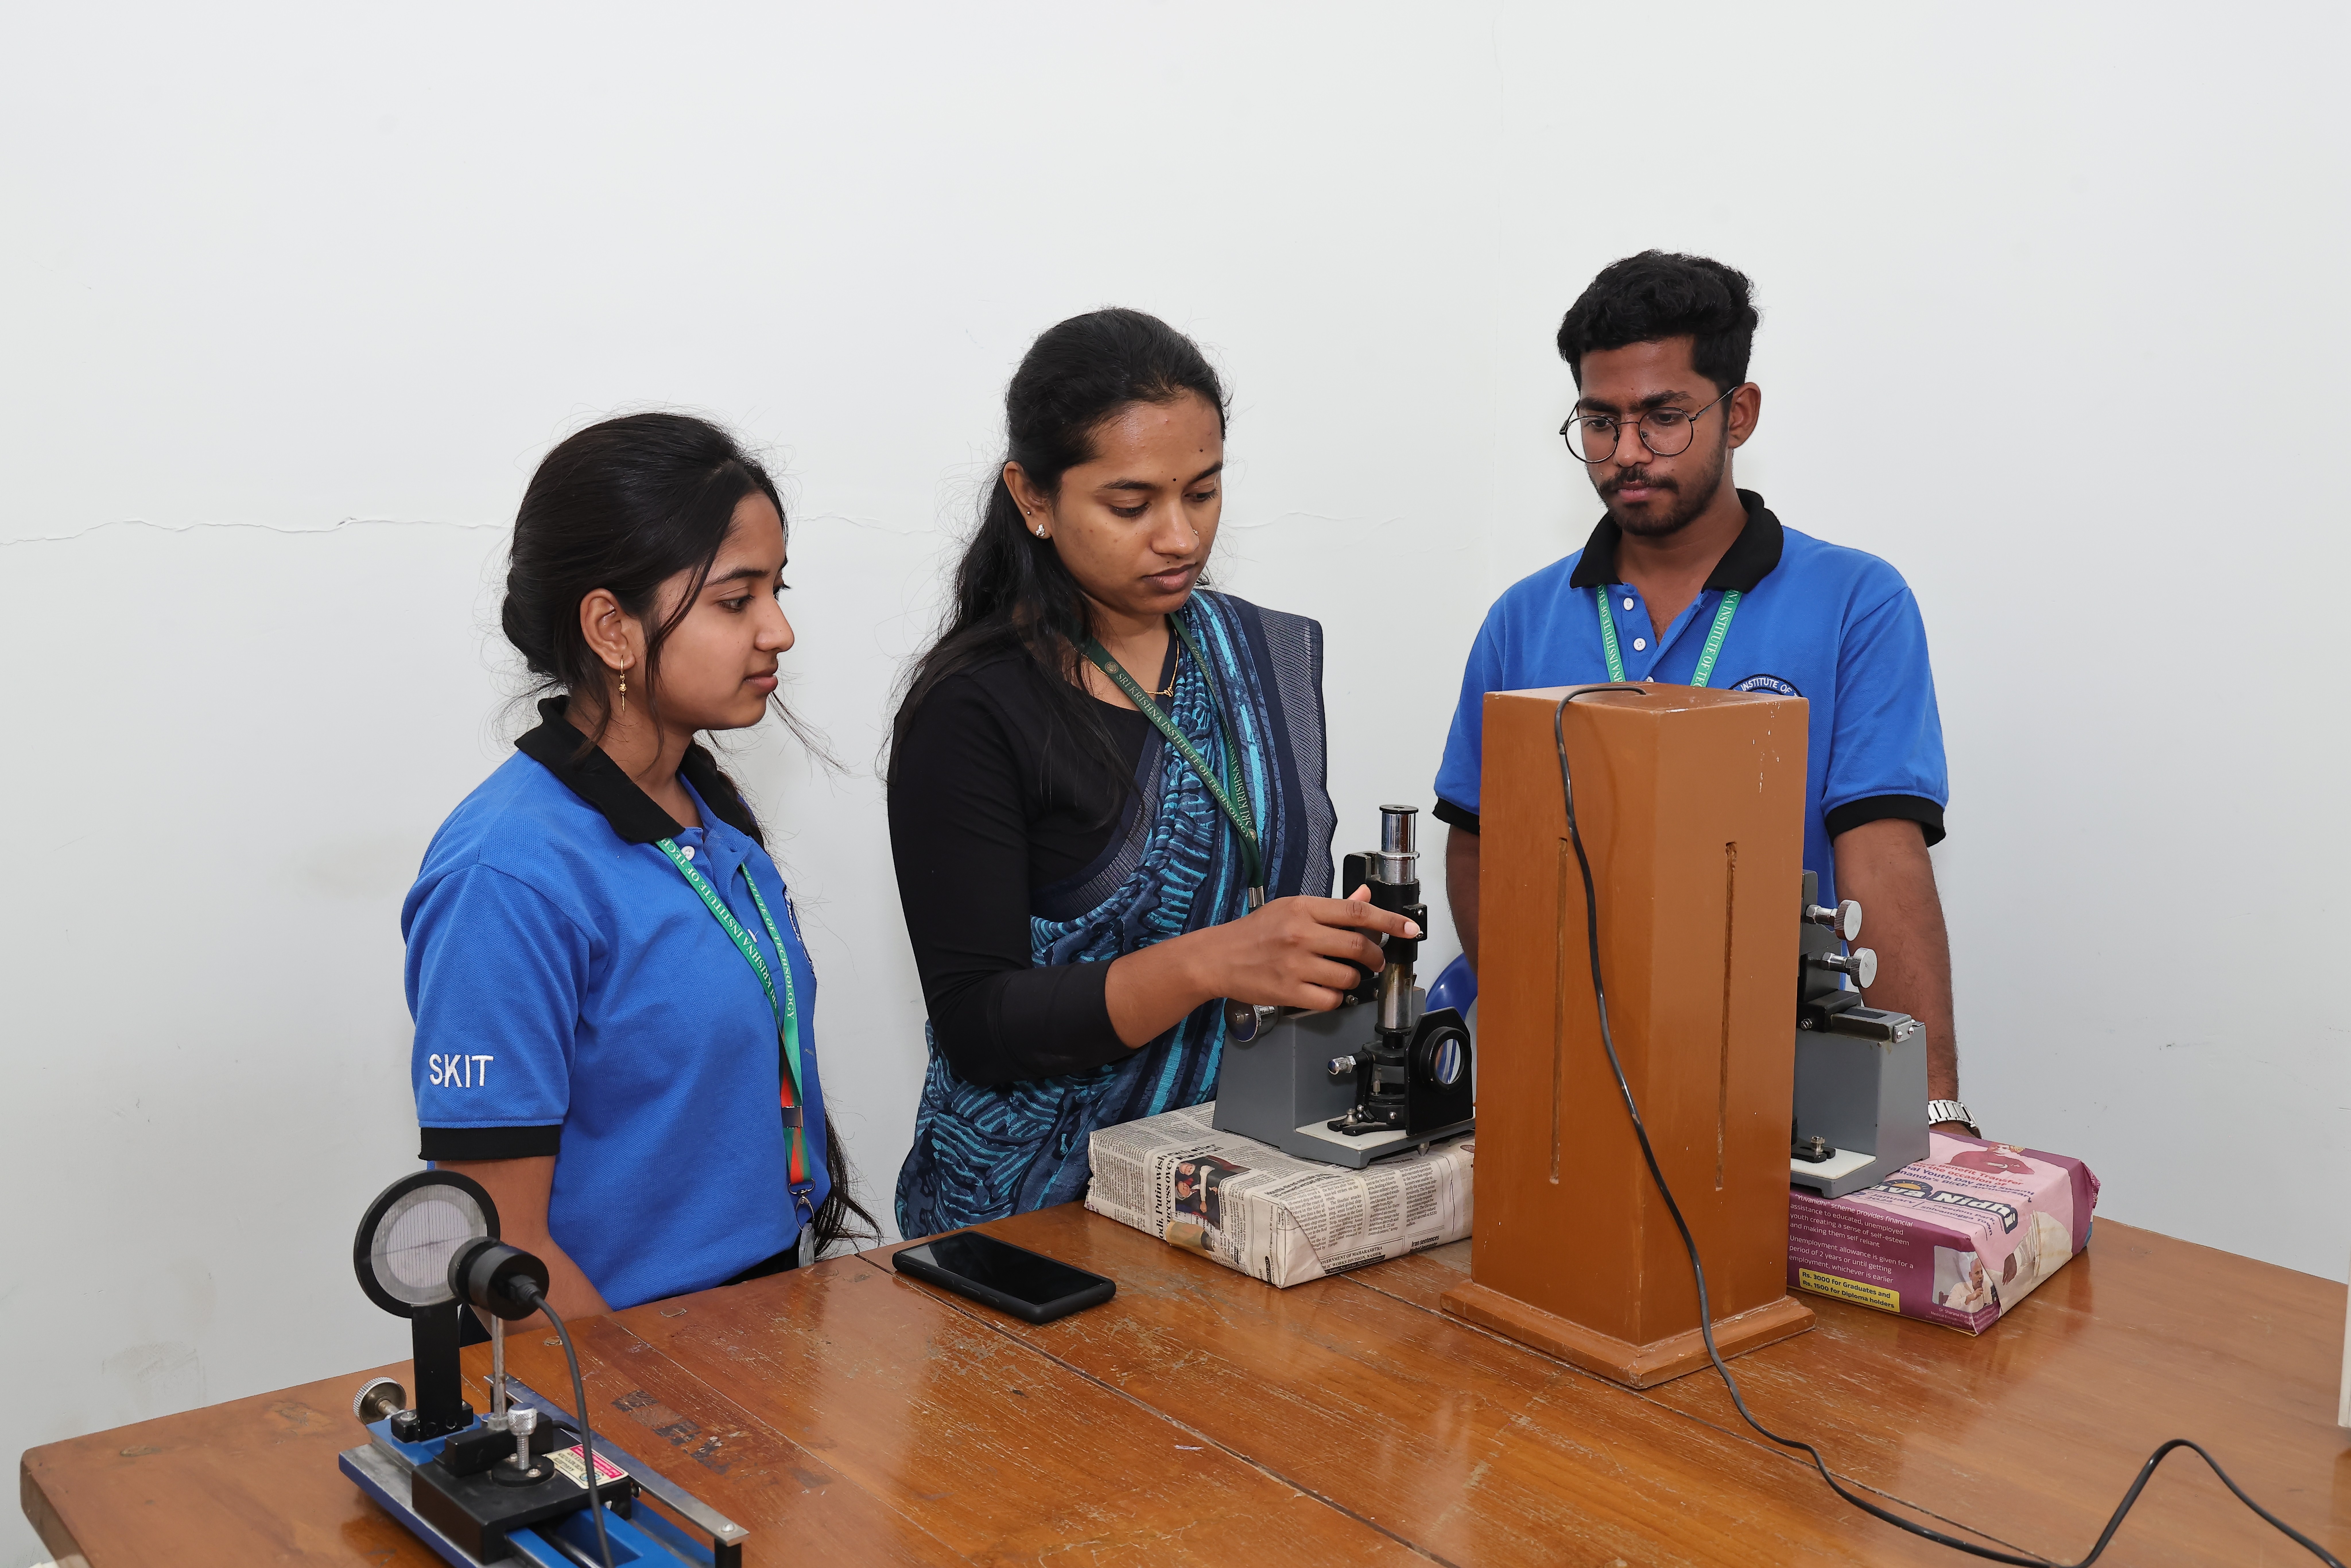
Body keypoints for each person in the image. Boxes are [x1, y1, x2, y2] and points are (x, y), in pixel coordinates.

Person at [888, 308, 1419, 1235]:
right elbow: (979, 1021)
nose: (1179, 537)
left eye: (1204, 493)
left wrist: (1335, 948)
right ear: (1034, 497)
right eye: (1131, 506)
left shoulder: (1263, 657)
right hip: (1037, 1216)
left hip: (1248, 1184)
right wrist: (1214, 961)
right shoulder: (975, 709)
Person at [1434, 252, 1977, 1137]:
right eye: (1600, 422)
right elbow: (1480, 848)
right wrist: (1546, 1037)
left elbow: (1882, 860)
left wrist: (1933, 1110)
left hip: (1786, 1085)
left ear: (1741, 412)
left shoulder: (1854, 604)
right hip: (1579, 1084)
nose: (1629, 454)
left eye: (1666, 417)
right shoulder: (1523, 620)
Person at [404, 413, 875, 1328]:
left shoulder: (704, 818)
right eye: (736, 601)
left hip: (763, 1327)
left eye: (777, 590)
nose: (779, 630)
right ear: (611, 629)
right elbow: (507, 1250)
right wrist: (654, 1419)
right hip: (619, 1374)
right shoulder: (505, 875)